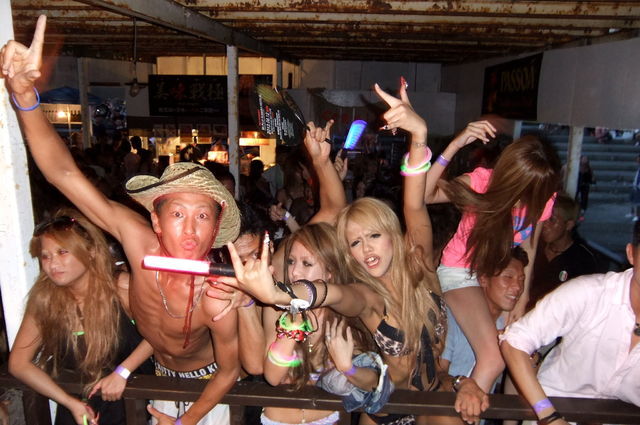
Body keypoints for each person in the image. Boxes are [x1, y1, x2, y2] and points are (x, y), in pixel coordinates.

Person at [2, 16, 241, 425]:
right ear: (156, 221)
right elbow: (64, 174)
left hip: (208, 387)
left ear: (216, 228)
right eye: (177, 214)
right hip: (156, 378)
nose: (190, 228)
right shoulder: (138, 242)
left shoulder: (217, 293)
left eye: (203, 216)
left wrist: (186, 422)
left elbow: (230, 371)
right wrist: (24, 97)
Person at [422, 120, 560, 420]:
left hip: (494, 275)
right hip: (459, 272)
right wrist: (455, 144)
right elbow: (425, 195)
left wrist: (522, 299)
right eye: (525, 188)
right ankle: (465, 418)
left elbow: (530, 248)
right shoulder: (483, 182)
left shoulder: (543, 197)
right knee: (494, 358)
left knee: (516, 351)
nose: (530, 197)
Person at [8, 209, 153, 425]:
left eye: (62, 252)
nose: (53, 264)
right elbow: (19, 364)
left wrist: (123, 371)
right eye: (46, 256)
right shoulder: (45, 300)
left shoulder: (122, 287)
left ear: (91, 251)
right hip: (78, 407)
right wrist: (67, 401)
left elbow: (160, 334)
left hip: (130, 406)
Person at [500, 222, 640, 425]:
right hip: (554, 408)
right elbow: (514, 341)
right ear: (631, 254)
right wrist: (548, 415)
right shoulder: (590, 292)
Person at [440, 247, 528, 388]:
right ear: (483, 279)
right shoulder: (453, 318)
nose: (517, 287)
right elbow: (436, 373)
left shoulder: (504, 327)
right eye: (508, 277)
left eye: (521, 280)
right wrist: (462, 385)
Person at [527, 192, 599, 310]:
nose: (544, 225)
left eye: (552, 220)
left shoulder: (582, 259)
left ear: (568, 225)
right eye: (543, 219)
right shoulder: (533, 249)